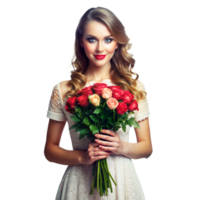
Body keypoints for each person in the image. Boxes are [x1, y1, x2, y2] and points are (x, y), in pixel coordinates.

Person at [44, 6, 153, 200]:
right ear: (81, 42)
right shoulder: (63, 89)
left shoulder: (134, 87)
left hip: (122, 180)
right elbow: (49, 150)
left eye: (108, 39)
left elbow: (147, 148)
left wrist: (121, 147)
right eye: (92, 39)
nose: (100, 48)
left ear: (117, 43)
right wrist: (81, 157)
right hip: (79, 182)